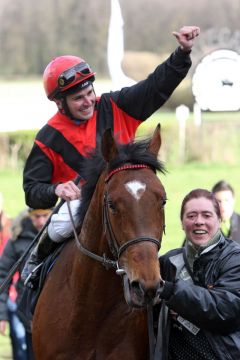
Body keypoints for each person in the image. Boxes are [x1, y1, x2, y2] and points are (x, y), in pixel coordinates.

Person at [22, 26, 200, 281]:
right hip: (79, 208)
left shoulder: (117, 105)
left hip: (127, 201)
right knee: (58, 224)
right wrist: (56, 190)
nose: (88, 101)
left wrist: (182, 53)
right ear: (59, 103)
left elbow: (155, 87)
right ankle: (35, 271)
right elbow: (31, 191)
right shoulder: (47, 138)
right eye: (78, 99)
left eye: (88, 93)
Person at [156, 188, 240, 359]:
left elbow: (225, 311)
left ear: (219, 219)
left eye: (207, 215)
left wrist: (171, 291)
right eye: (191, 215)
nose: (199, 221)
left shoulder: (235, 258)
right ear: (181, 222)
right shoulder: (167, 262)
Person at [0, 208, 52, 360]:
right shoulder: (18, 239)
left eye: (45, 216)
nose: (41, 221)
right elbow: (3, 275)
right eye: (37, 216)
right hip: (28, 312)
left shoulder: (62, 235)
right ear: (30, 216)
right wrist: (1, 315)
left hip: (55, 313)